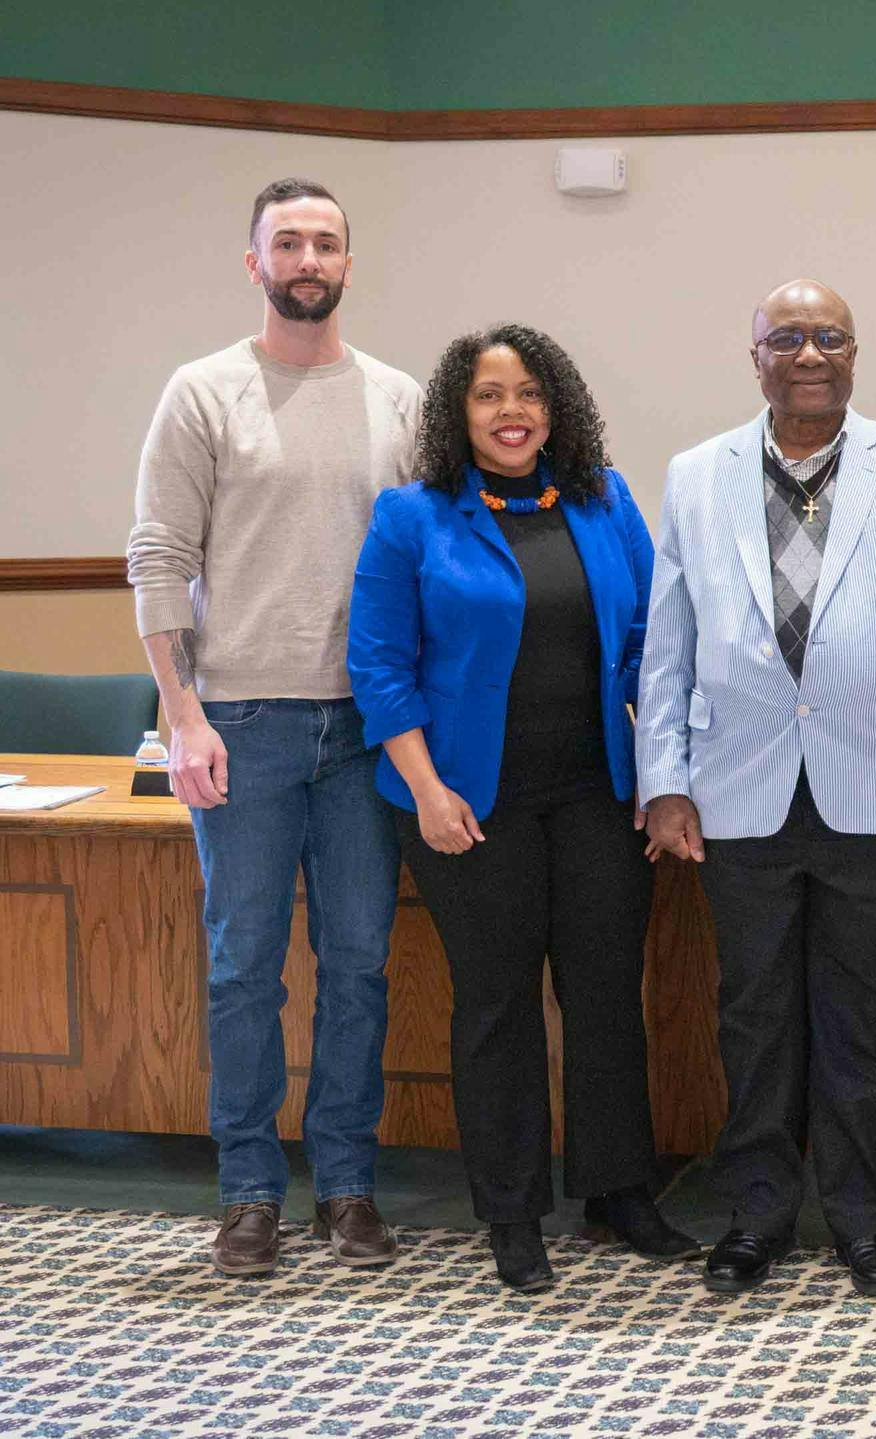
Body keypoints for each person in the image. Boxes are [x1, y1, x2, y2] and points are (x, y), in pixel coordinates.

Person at [636, 280, 876, 1300]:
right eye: (784, 337)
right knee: (751, 1014)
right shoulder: (696, 475)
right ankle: (755, 1212)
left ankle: (862, 1218)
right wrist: (663, 780)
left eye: (827, 336)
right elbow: (669, 642)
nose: (807, 353)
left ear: (854, 351)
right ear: (753, 356)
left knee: (861, 1015)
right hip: (733, 784)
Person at [347, 324, 695, 1293]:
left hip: (597, 794)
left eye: (530, 393)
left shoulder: (602, 499)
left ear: (558, 408)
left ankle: (618, 1189)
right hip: (468, 804)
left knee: (603, 996)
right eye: (490, 395)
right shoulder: (411, 516)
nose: (512, 412)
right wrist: (425, 788)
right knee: (496, 1006)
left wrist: (663, 772)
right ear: (458, 413)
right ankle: (510, 1211)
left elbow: (651, 640)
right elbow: (379, 666)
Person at [127, 177, 417, 1276]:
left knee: (358, 964)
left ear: (349, 262)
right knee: (244, 968)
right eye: (287, 242)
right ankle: (249, 1192)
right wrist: (183, 711)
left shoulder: (396, 397)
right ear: (253, 261)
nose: (308, 258)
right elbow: (159, 556)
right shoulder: (203, 392)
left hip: (364, 726)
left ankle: (346, 1185)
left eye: (326, 242)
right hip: (237, 719)